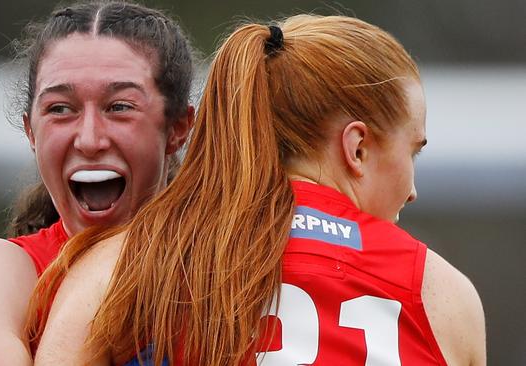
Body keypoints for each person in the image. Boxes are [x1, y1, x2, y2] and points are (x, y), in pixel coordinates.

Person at [29, 14, 486, 366]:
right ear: (358, 147)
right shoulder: (440, 292)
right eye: (413, 152)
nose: (412, 191)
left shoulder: (125, 260)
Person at [0, 1, 195, 364]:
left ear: (178, 127)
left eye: (119, 107)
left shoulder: (235, 264)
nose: (89, 139)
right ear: (30, 132)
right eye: (60, 109)